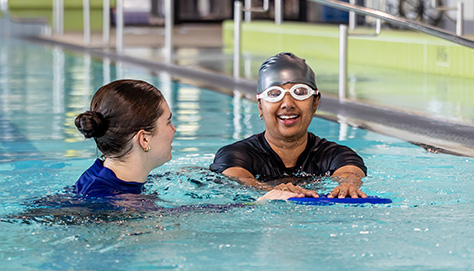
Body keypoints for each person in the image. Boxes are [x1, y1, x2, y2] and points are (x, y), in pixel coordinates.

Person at [210, 52, 368, 201]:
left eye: (300, 92)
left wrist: (348, 186)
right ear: (260, 107)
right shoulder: (235, 155)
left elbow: (349, 172)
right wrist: (269, 191)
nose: (288, 104)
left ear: (315, 103)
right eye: (274, 94)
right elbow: (237, 179)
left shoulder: (335, 155)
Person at [73, 79, 176, 198]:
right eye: (168, 122)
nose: (174, 129)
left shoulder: (99, 178)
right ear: (144, 139)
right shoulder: (121, 204)